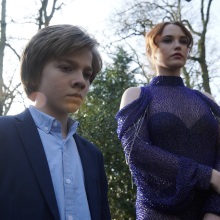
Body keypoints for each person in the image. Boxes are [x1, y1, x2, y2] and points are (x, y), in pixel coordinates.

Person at [0, 24, 111, 220]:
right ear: (35, 72)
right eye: (66, 68)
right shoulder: (4, 134)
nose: (82, 81)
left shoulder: (93, 156)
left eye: (87, 74)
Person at [116, 21, 220, 220]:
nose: (178, 45)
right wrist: (207, 176)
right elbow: (136, 151)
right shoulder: (137, 96)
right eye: (168, 40)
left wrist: (215, 209)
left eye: (184, 41)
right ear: (151, 50)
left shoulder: (206, 100)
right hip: (158, 211)